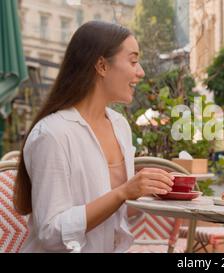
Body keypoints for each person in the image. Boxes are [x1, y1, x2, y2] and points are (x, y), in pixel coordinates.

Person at [13, 21, 175, 253]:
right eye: (133, 61)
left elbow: (114, 215)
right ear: (101, 66)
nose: (141, 72)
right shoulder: (52, 134)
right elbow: (50, 233)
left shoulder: (120, 126)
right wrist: (123, 192)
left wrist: (144, 192)